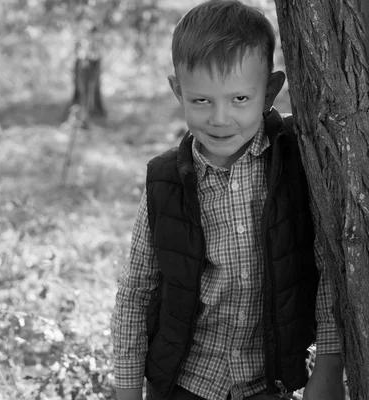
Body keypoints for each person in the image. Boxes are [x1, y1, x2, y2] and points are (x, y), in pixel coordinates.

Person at [110, 1, 346, 400]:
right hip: (185, 382)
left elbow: (328, 271)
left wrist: (328, 368)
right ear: (178, 91)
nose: (220, 118)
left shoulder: (295, 164)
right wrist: (129, 390)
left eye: (239, 99)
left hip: (268, 382)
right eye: (201, 100)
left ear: (270, 91)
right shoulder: (165, 182)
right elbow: (136, 292)